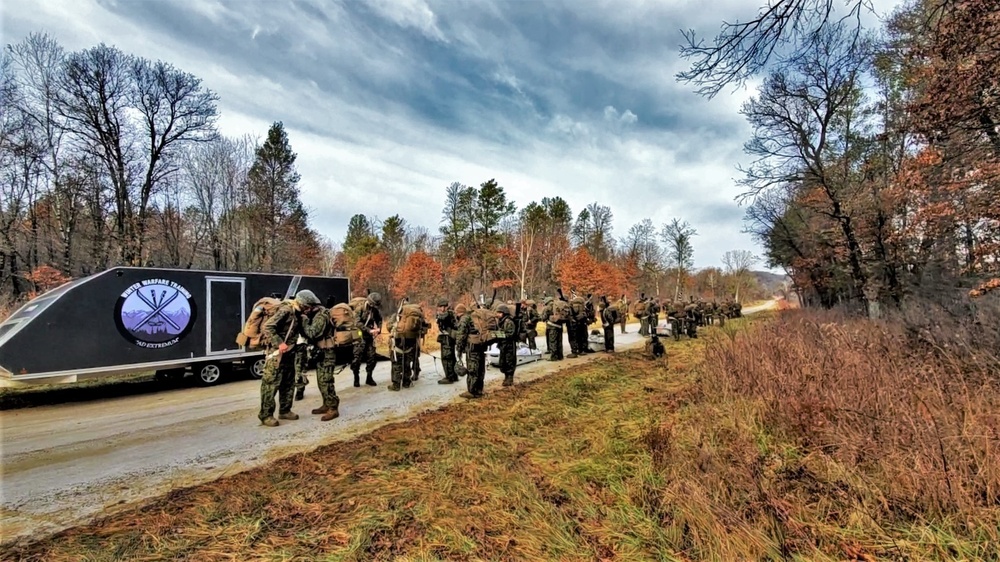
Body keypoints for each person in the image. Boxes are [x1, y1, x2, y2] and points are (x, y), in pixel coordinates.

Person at [258, 290, 320, 427]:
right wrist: (279, 343)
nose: (310, 309)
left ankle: (285, 410)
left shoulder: (298, 314)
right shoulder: (286, 310)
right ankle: (265, 415)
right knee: (271, 385)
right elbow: (268, 327)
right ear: (302, 303)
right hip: (276, 355)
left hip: (290, 354)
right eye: (308, 306)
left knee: (288, 383)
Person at [302, 302, 346, 421]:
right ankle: (326, 404)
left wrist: (304, 320)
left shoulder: (321, 316)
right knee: (321, 380)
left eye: (306, 307)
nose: (305, 310)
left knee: (326, 381)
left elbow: (312, 333)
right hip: (322, 352)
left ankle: (333, 408)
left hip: (327, 352)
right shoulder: (319, 314)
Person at [456, 305, 488, 398]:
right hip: (481, 344)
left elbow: (461, 336)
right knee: (480, 367)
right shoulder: (474, 317)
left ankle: (472, 391)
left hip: (472, 346)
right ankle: (479, 390)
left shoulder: (464, 319)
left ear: (458, 312)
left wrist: (459, 349)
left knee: (472, 368)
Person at [351, 292, 382, 387]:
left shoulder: (374, 310)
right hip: (358, 333)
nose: (374, 306)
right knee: (357, 357)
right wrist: (369, 330)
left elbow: (379, 319)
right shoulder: (360, 308)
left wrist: (379, 329)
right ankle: (356, 377)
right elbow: (357, 323)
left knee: (372, 357)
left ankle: (369, 377)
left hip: (369, 335)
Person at [491, 304, 519, 386]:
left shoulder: (508, 321)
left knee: (509, 362)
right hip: (503, 345)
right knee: (503, 362)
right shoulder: (501, 321)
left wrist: (497, 334)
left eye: (499, 313)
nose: (498, 314)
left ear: (504, 313)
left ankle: (509, 379)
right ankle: (506, 377)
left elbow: (510, 334)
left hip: (509, 345)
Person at [435, 298, 460, 385]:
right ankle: (453, 376)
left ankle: (449, 377)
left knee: (447, 358)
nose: (442, 309)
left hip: (448, 339)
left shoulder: (448, 314)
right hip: (447, 338)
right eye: (441, 307)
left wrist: (438, 316)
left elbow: (442, 318)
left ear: (447, 307)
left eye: (444, 307)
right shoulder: (451, 313)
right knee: (451, 357)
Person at [540, 296, 564, 361]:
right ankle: (560, 356)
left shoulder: (547, 308)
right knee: (559, 341)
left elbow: (543, 318)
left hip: (552, 327)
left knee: (553, 342)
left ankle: (554, 357)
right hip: (559, 326)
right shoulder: (558, 306)